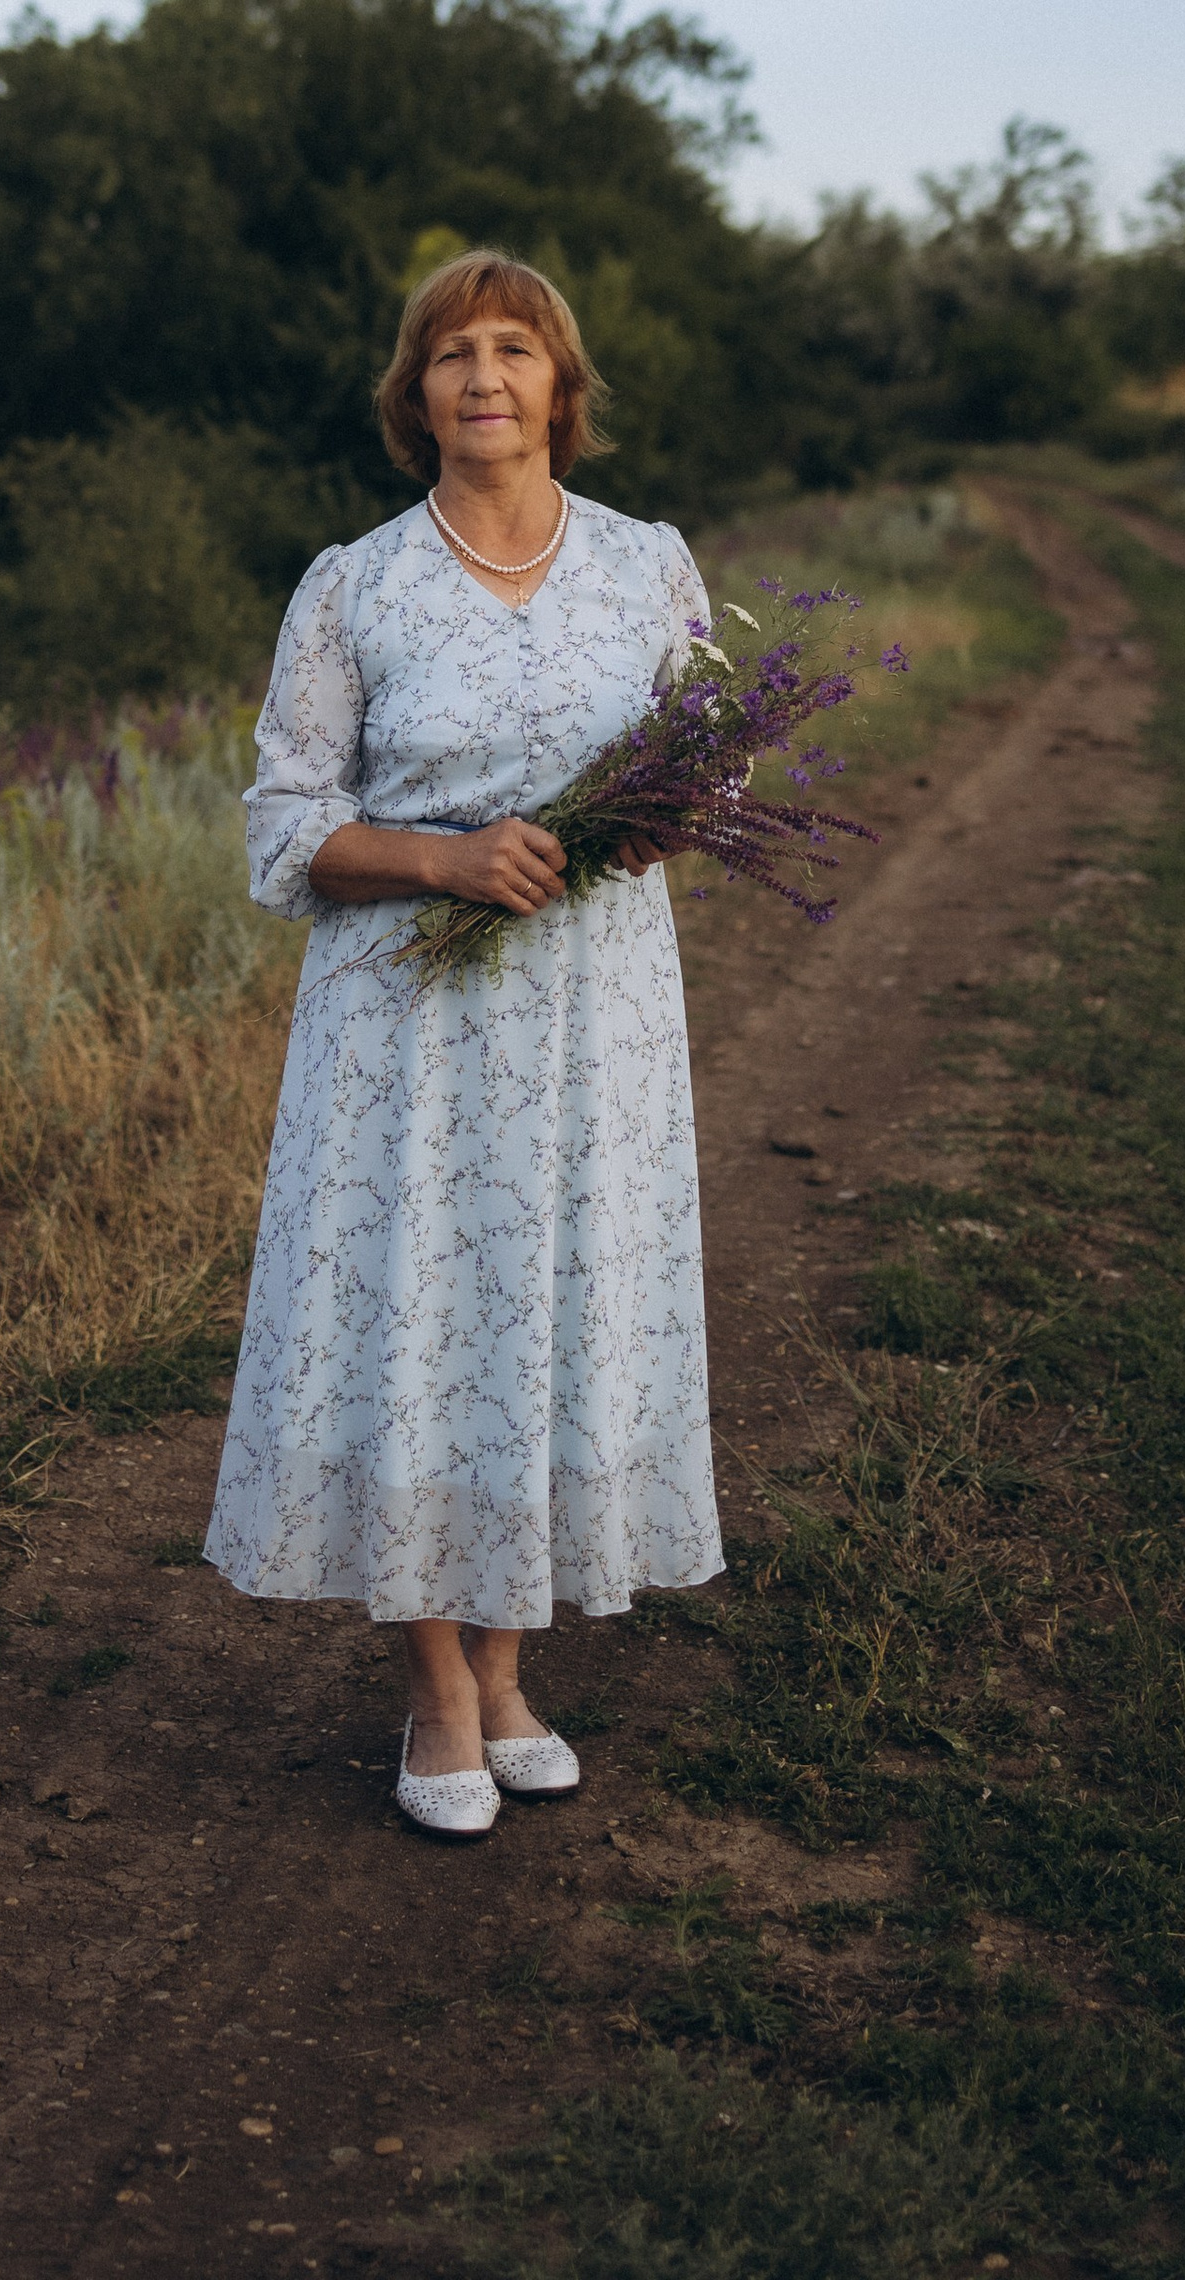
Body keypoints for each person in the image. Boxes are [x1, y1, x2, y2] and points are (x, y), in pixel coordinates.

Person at [203, 249, 723, 1839]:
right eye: (451, 356)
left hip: (595, 1018)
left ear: (563, 387)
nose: (482, 378)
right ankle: (434, 1690)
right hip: (405, 1028)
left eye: (513, 351)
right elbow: (284, 826)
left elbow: (712, 775)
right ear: (413, 397)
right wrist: (441, 858)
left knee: (555, 1310)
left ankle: (507, 1673)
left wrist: (656, 825)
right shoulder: (351, 586)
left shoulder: (651, 567)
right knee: (418, 1319)